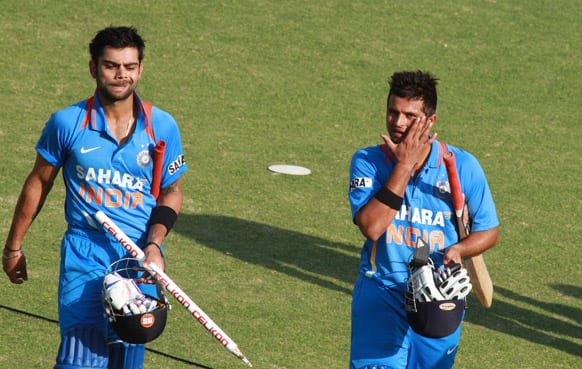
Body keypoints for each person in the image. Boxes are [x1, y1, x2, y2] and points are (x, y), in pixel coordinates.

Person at [2, 26, 188, 369]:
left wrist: (155, 245)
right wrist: (14, 246)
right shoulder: (67, 123)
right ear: (93, 68)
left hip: (139, 258)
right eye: (111, 66)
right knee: (80, 357)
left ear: (140, 69)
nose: (121, 75)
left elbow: (171, 191)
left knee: (127, 357)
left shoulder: (162, 126)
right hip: (85, 253)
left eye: (130, 66)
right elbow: (38, 183)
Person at [347, 70, 499, 369]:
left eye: (410, 115)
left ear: (430, 121)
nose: (398, 122)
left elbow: (489, 231)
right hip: (383, 293)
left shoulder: (463, 166)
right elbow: (371, 227)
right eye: (393, 112)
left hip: (439, 298)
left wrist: (460, 250)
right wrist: (403, 164)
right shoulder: (367, 161)